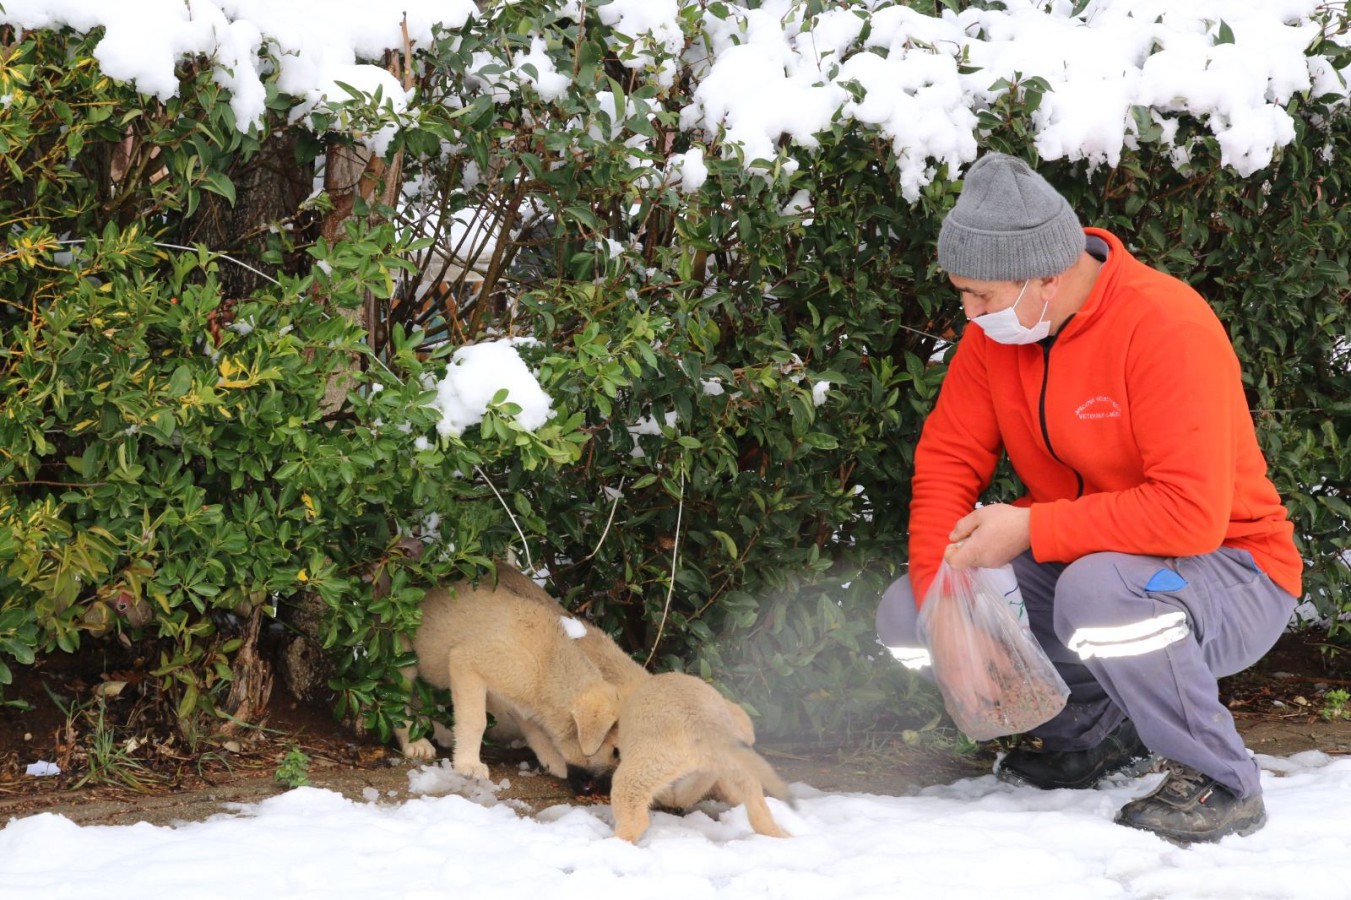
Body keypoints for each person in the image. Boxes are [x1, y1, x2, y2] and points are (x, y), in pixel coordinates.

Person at [875, 151, 1302, 844]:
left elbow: (1190, 514)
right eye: (961, 292)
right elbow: (947, 462)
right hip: (1090, 562)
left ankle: (1221, 781)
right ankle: (1082, 738)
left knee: (1102, 593)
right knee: (911, 612)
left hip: (1234, 571)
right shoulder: (996, 334)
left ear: (1047, 275)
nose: (967, 312)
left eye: (980, 294)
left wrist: (1030, 529)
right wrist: (946, 607)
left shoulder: (1165, 325)